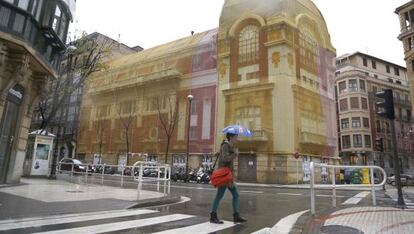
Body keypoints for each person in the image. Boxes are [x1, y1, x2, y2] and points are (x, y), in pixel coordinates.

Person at [210, 133, 247, 224]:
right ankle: (213, 216)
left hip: (228, 176)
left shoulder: (229, 145)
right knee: (219, 196)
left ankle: (236, 216)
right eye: (236, 137)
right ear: (230, 137)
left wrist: (233, 152)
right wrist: (235, 154)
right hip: (224, 176)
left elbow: (223, 155)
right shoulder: (225, 146)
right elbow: (225, 159)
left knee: (236, 195)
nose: (237, 138)